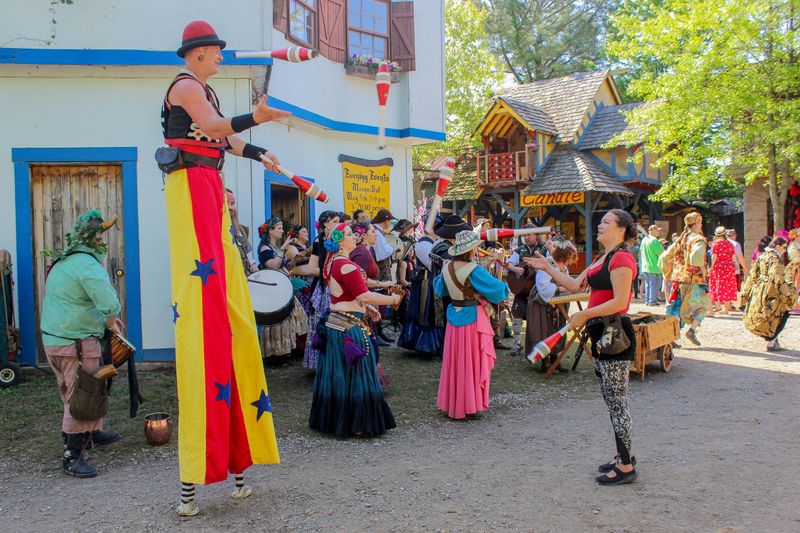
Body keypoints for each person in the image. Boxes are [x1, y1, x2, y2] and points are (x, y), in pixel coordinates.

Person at [161, 20, 285, 515]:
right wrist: (252, 118)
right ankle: (197, 472)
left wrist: (258, 152)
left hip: (208, 187)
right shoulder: (186, 85)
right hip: (190, 188)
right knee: (204, 317)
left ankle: (237, 461)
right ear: (196, 53)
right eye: (215, 53)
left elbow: (222, 143)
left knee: (232, 317)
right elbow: (214, 130)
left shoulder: (204, 88)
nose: (220, 59)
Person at [528, 209, 639, 485]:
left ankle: (626, 466)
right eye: (600, 221)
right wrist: (548, 268)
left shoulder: (622, 258)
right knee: (610, 398)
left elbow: (620, 302)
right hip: (602, 332)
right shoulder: (604, 257)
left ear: (621, 229)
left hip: (615, 333)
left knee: (617, 402)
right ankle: (622, 455)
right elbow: (576, 284)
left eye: (606, 222)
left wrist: (585, 314)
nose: (599, 225)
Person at [40, 211, 123, 479]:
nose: (102, 239)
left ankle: (91, 432)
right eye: (100, 234)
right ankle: (72, 455)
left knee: (80, 389)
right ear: (93, 238)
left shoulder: (64, 261)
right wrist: (111, 317)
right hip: (75, 342)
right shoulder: (86, 265)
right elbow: (105, 296)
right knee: (81, 395)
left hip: (56, 340)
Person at [308, 223, 400, 437]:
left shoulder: (330, 263)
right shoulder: (347, 266)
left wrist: (367, 308)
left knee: (338, 373)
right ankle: (359, 423)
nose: (355, 237)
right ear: (340, 242)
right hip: (349, 327)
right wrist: (392, 298)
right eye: (350, 234)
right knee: (358, 372)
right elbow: (363, 295)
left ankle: (335, 420)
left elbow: (343, 295)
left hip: (334, 322)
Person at [434, 230, 510, 420]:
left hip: (453, 318)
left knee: (456, 362)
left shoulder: (447, 267)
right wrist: (504, 287)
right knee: (471, 362)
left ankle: (454, 403)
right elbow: (498, 290)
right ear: (471, 249)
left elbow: (439, 289)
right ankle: (469, 404)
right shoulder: (473, 269)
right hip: (472, 320)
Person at [256, 218, 309, 359]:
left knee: (293, 317)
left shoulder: (275, 248)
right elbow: (273, 265)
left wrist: (295, 261)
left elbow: (284, 267)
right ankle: (276, 354)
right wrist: (283, 247)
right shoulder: (264, 248)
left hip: (282, 286)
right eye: (279, 228)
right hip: (272, 289)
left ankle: (289, 350)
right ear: (270, 231)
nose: (282, 231)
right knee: (278, 322)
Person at [525, 239, 577, 373]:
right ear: (564, 256)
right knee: (544, 329)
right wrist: (561, 289)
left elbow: (565, 281)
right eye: (570, 257)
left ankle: (555, 359)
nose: (570, 261)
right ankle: (545, 362)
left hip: (557, 302)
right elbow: (543, 287)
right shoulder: (547, 263)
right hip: (542, 302)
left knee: (557, 328)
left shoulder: (563, 266)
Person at [297, 210, 340, 369]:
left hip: (336, 286)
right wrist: (329, 271)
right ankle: (320, 363)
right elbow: (311, 268)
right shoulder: (319, 241)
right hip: (323, 288)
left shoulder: (338, 238)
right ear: (325, 223)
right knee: (321, 324)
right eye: (334, 221)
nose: (337, 224)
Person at [398, 216, 445, 357]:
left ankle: (433, 344)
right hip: (425, 283)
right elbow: (432, 264)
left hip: (432, 282)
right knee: (425, 312)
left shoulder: (435, 242)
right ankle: (425, 345)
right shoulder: (423, 243)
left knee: (432, 313)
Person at [741, 237, 796, 352]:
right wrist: (786, 294)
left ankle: (774, 341)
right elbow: (777, 278)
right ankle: (771, 344)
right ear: (777, 246)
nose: (785, 250)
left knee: (766, 315)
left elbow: (752, 274)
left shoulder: (762, 255)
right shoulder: (775, 259)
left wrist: (747, 293)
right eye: (784, 247)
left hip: (759, 290)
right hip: (772, 291)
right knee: (780, 314)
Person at [671, 212, 709, 345]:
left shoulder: (681, 238)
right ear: (697, 223)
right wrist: (704, 272)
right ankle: (692, 330)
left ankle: (671, 336)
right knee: (701, 306)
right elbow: (696, 258)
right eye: (701, 222)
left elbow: (665, 257)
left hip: (678, 278)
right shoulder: (698, 239)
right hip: (694, 279)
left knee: (677, 308)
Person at [506, 225, 543, 355]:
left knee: (536, 319)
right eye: (525, 235)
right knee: (516, 316)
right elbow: (508, 264)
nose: (527, 237)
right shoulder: (519, 250)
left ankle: (534, 346)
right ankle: (517, 344)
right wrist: (515, 269)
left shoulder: (543, 249)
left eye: (529, 235)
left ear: (537, 235)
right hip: (522, 289)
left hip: (539, 290)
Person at [226, 188, 257, 275]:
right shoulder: (214, 231)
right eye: (226, 203)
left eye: (232, 203)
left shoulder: (241, 231)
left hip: (246, 278)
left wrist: (259, 275)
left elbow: (251, 261)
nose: (230, 207)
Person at [709, 226, 737, 315]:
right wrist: (735, 265)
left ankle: (718, 306)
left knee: (717, 285)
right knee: (728, 286)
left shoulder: (715, 244)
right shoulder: (730, 244)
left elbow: (714, 257)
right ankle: (726, 308)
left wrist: (711, 267)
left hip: (719, 267)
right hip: (729, 267)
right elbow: (733, 257)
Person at [639, 225, 664, 306]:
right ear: (652, 230)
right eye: (657, 230)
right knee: (655, 285)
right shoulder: (655, 241)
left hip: (645, 266)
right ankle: (653, 301)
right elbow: (661, 253)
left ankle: (647, 300)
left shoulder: (644, 239)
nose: (658, 232)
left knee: (648, 285)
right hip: (654, 266)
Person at [371, 208, 396, 282]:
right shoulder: (377, 233)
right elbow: (382, 253)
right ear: (385, 221)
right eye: (389, 221)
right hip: (380, 272)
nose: (389, 223)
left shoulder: (378, 232)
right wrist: (394, 249)